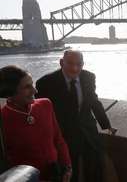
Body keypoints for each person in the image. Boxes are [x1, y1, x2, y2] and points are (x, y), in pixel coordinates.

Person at [35, 50, 116, 182]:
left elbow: (93, 101)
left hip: (88, 133)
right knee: (70, 174)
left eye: (79, 64)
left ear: (83, 64)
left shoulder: (88, 77)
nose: (75, 68)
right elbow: (42, 113)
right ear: (61, 62)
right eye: (70, 64)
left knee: (94, 171)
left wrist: (106, 126)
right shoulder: (45, 83)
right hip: (64, 137)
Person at [0, 65, 72, 181]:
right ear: (10, 91)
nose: (35, 90)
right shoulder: (2, 118)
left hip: (56, 176)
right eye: (27, 87)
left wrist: (67, 167)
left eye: (32, 84)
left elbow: (58, 139)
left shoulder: (45, 104)